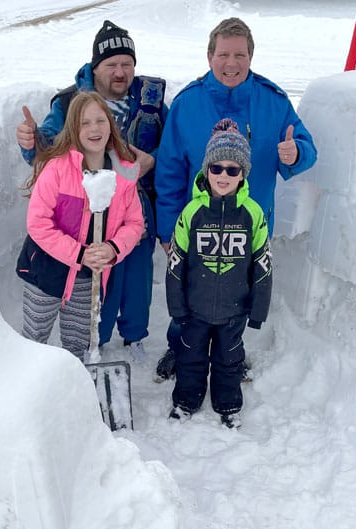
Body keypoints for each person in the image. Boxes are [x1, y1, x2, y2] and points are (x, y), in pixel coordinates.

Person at [153, 16, 317, 381]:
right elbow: (168, 173)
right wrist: (167, 229)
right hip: (196, 228)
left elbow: (306, 147)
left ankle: (230, 354)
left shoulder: (273, 102)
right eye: (224, 54)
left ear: (250, 57)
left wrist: (295, 153)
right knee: (190, 293)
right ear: (209, 56)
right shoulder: (188, 104)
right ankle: (180, 348)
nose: (232, 63)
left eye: (240, 55)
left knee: (238, 295)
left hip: (249, 229)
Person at [16, 20, 168, 363]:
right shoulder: (70, 102)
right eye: (111, 64)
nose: (120, 72)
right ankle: (97, 338)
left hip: (131, 202)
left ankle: (132, 337)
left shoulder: (151, 98)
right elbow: (47, 146)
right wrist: (31, 141)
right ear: (95, 66)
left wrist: (152, 162)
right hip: (77, 225)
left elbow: (171, 147)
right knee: (99, 286)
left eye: (127, 64)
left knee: (135, 279)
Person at [16, 92, 145, 360]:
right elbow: (38, 223)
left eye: (100, 120)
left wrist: (112, 249)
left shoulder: (122, 174)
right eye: (85, 123)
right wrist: (79, 253)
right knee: (34, 337)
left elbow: (134, 223)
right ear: (73, 128)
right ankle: (29, 381)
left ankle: (73, 381)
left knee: (77, 342)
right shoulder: (57, 169)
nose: (94, 128)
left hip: (87, 276)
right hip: (45, 271)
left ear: (110, 124)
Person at [166, 119, 271, 429]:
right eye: (217, 168)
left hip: (233, 310)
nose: (224, 176)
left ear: (243, 174)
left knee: (229, 360)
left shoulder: (252, 214)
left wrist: (258, 310)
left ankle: (228, 404)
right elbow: (176, 264)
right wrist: (177, 307)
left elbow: (263, 266)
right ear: (206, 170)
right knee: (190, 357)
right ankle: (186, 401)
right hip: (195, 309)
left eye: (232, 170)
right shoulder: (191, 213)